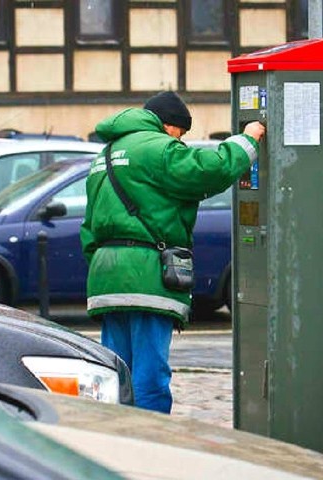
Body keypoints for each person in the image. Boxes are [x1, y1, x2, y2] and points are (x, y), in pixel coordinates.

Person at [80, 91, 265, 413]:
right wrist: (247, 140)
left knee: (114, 372)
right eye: (180, 134)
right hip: (146, 274)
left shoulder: (106, 154)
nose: (180, 141)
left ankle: (117, 439)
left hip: (105, 276)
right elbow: (208, 170)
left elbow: (89, 227)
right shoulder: (157, 147)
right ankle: (154, 444)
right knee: (150, 373)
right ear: (169, 126)